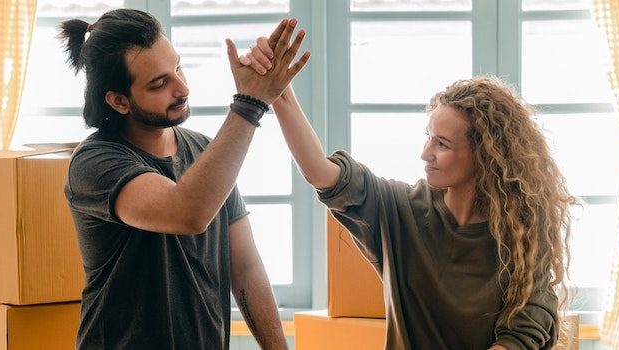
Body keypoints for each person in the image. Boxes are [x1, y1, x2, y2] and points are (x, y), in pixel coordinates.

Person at [242, 37, 574, 349]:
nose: (425, 152)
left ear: (484, 156)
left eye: (441, 144)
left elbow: (528, 324)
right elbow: (320, 172)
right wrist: (279, 91)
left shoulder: (521, 227)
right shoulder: (399, 209)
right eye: (429, 136)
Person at [59, 9, 309, 349]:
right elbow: (187, 213)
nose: (182, 87)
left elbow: (246, 267)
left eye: (177, 67)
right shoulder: (95, 163)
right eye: (159, 83)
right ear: (119, 101)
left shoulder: (205, 151)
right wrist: (250, 103)